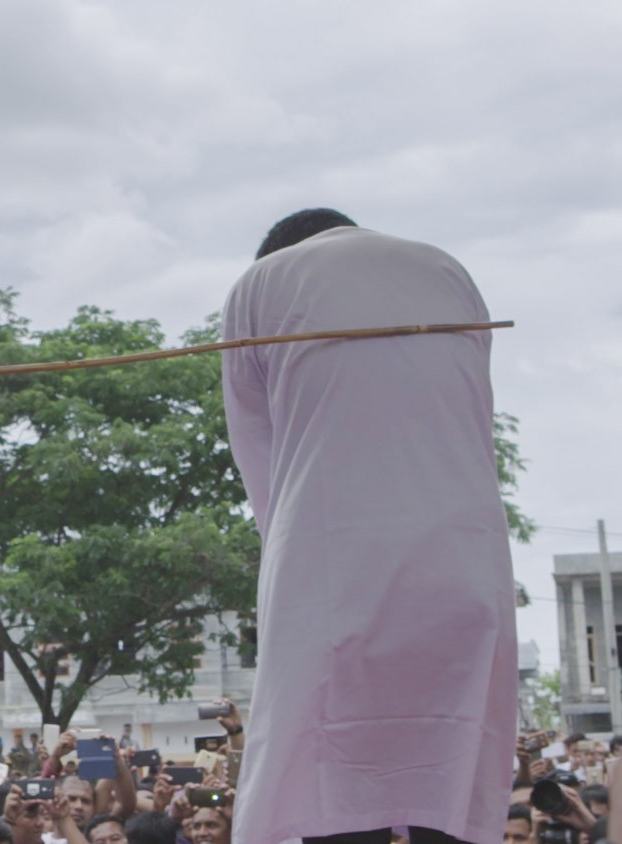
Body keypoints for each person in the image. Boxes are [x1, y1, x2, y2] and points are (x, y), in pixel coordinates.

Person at [220, 209, 517, 844]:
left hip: (332, 564)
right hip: (465, 561)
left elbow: (259, 453)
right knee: (453, 763)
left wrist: (285, 569)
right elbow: (475, 424)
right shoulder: (450, 271)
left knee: (327, 776)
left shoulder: (259, 286)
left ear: (276, 254)